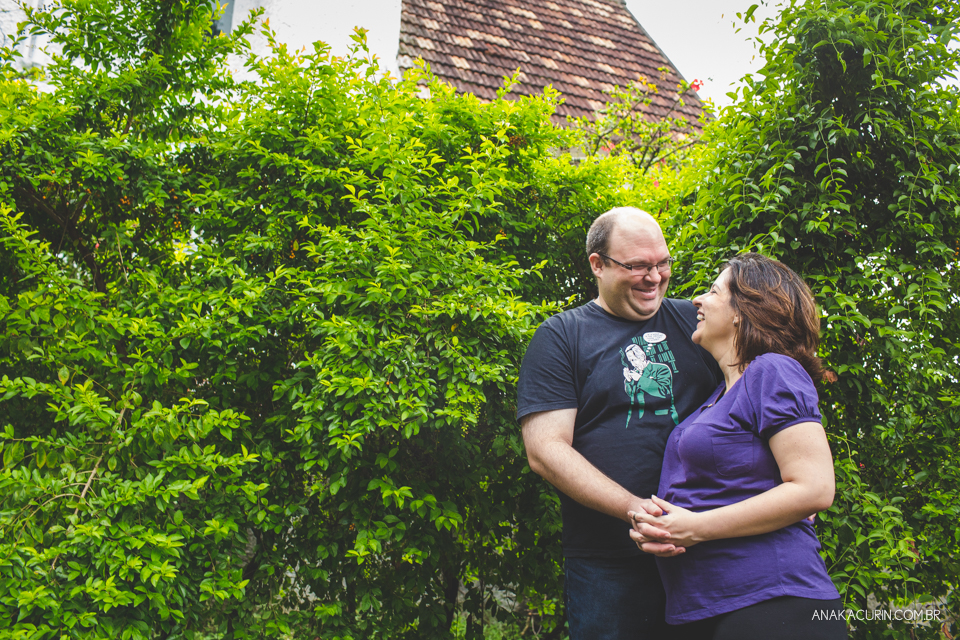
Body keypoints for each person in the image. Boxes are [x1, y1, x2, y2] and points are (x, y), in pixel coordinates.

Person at [517, 207, 723, 639]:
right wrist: (635, 508)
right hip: (607, 560)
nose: (655, 277)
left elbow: (754, 400)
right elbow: (545, 450)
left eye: (663, 263)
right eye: (637, 266)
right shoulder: (561, 337)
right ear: (598, 264)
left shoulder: (698, 323)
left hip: (707, 547)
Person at [629, 253, 847, 640]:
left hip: (771, 600)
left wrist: (693, 527)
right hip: (702, 605)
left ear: (742, 312)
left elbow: (814, 488)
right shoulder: (716, 396)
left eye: (713, 291)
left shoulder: (771, 370)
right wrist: (659, 527)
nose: (696, 299)